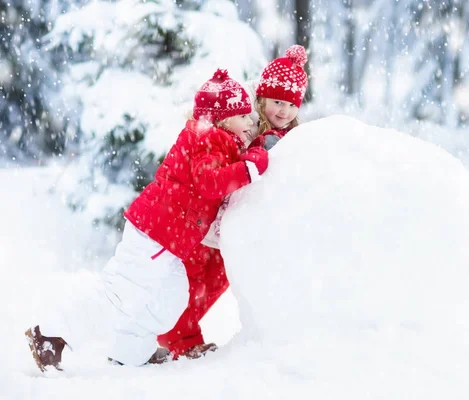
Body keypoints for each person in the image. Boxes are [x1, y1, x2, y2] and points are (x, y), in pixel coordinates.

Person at [25, 69, 269, 372]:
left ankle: (131, 349)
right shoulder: (209, 139)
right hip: (156, 234)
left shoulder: (215, 139)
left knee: (173, 295)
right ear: (223, 118)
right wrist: (249, 169)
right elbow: (208, 182)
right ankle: (49, 334)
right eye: (244, 116)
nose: (251, 122)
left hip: (165, 239)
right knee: (118, 294)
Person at [250, 45, 308, 150]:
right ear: (262, 100)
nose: (285, 112)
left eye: (292, 105)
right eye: (278, 102)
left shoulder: (296, 134)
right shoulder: (247, 128)